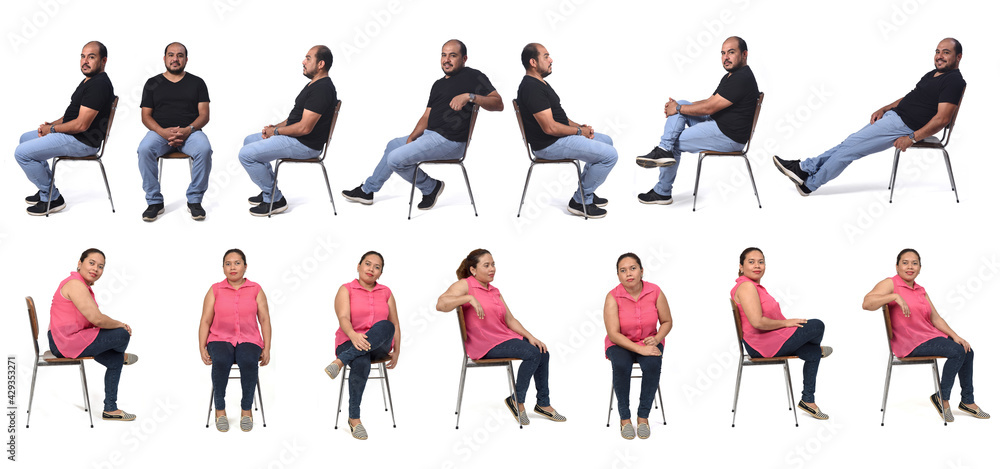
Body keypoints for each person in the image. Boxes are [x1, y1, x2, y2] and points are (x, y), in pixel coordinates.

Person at [774, 38, 965, 195]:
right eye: (937, 51)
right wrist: (884, 108)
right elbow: (910, 97)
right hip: (894, 118)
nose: (939, 56)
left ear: (958, 57)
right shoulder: (933, 74)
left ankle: (809, 183)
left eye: (946, 52)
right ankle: (805, 169)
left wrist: (912, 138)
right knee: (848, 144)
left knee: (849, 150)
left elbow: (942, 119)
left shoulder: (954, 81)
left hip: (904, 126)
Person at [342, 39, 502, 210]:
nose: (446, 60)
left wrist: (470, 96)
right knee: (392, 146)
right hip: (430, 136)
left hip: (451, 142)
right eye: (443, 55)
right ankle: (368, 190)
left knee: (395, 159)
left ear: (464, 59)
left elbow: (498, 104)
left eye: (453, 55)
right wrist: (412, 137)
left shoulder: (473, 76)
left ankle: (430, 187)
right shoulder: (438, 84)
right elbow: (426, 116)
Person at [436, 249, 566, 424]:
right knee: (532, 354)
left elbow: (510, 319)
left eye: (493, 264)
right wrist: (468, 298)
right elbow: (441, 304)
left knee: (542, 351)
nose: (492, 269)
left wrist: (531, 337)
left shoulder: (494, 290)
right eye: (486, 265)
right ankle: (516, 400)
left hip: (504, 338)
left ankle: (543, 403)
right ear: (473, 269)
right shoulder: (465, 285)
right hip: (484, 344)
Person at [862, 248, 989, 422]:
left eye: (915, 263)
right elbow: (867, 303)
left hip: (928, 337)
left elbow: (935, 318)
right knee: (957, 352)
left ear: (920, 268)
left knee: (966, 350)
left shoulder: (920, 289)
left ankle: (967, 401)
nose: (910, 267)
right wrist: (894, 297)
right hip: (909, 343)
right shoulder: (891, 283)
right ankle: (941, 398)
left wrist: (956, 336)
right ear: (897, 266)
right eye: (905, 262)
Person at [635, 36, 759, 205]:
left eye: (731, 52)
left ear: (744, 54)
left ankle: (662, 191)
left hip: (728, 136)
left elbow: (709, 108)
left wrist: (677, 109)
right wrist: (679, 106)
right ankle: (664, 149)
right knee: (684, 104)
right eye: (723, 53)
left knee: (674, 140)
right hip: (718, 125)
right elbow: (709, 101)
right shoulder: (731, 76)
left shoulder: (742, 78)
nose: (726, 57)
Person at [516, 43, 618, 218]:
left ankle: (586, 193)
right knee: (610, 155)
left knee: (606, 141)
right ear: (533, 62)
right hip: (549, 144)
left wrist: (581, 128)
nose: (551, 60)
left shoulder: (541, 84)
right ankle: (580, 201)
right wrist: (579, 133)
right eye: (546, 56)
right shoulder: (531, 88)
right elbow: (550, 127)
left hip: (557, 138)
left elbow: (560, 118)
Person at [730, 247, 832, 420]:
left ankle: (808, 400)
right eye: (751, 262)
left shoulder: (755, 286)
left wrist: (787, 325)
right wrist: (787, 322)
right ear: (741, 266)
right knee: (816, 326)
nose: (757, 266)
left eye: (761, 262)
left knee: (813, 353)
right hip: (763, 345)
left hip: (771, 341)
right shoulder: (747, 286)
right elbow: (757, 322)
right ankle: (815, 350)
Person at [15, 41, 115, 215]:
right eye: (83, 56)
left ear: (103, 61)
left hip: (82, 140)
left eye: (91, 57)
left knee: (22, 153)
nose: (85, 61)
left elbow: (81, 124)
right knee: (25, 139)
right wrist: (51, 125)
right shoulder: (89, 80)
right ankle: (47, 188)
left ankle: (53, 198)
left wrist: (52, 131)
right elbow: (71, 116)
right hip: (73, 135)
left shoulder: (99, 85)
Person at [239, 45, 338, 216]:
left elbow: (304, 128)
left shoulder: (322, 89)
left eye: (308, 58)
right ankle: (269, 191)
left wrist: (276, 133)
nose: (303, 62)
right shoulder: (313, 85)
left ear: (321, 64)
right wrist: (274, 128)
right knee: (249, 141)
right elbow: (294, 119)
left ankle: (275, 199)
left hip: (305, 144)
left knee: (246, 154)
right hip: (297, 138)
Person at [48, 248, 137, 421]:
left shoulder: (80, 285)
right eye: (92, 263)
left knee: (115, 360)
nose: (96, 269)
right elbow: (97, 319)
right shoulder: (75, 284)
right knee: (122, 335)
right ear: (79, 263)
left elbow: (94, 320)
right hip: (65, 342)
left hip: (65, 339)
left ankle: (110, 409)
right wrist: (121, 325)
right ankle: (120, 353)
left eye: (101, 266)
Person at [323, 251, 401, 440]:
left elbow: (395, 324)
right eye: (367, 264)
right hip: (349, 341)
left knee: (386, 325)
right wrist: (353, 335)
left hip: (379, 345)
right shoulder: (346, 289)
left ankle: (341, 361)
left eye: (377, 267)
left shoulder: (386, 292)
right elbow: (343, 317)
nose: (371, 269)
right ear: (358, 266)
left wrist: (397, 350)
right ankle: (354, 418)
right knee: (361, 361)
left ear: (380, 273)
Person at [198, 249, 272, 432]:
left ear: (245, 267)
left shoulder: (256, 289)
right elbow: (205, 320)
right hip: (219, 338)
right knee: (221, 360)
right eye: (228, 263)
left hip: (249, 339)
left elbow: (264, 320)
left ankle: (246, 410)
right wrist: (201, 347)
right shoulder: (215, 289)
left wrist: (268, 348)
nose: (233, 267)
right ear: (223, 267)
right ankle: (220, 409)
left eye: (237, 263)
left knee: (248, 360)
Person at [137, 42, 212, 221]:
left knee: (204, 149)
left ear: (186, 59)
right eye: (171, 55)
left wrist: (188, 130)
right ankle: (154, 202)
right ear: (164, 59)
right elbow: (145, 116)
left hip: (191, 132)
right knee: (144, 149)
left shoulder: (197, 83)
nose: (175, 59)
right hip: (159, 132)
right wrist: (162, 132)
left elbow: (204, 115)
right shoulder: (152, 83)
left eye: (179, 56)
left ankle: (194, 200)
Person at [603, 253, 672, 439]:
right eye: (622, 270)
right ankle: (624, 418)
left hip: (649, 339)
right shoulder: (612, 297)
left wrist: (657, 339)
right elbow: (613, 334)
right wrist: (640, 349)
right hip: (620, 342)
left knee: (652, 364)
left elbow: (667, 321)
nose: (628, 274)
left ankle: (643, 417)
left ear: (642, 271)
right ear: (618, 275)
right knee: (621, 365)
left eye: (633, 268)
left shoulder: (655, 291)